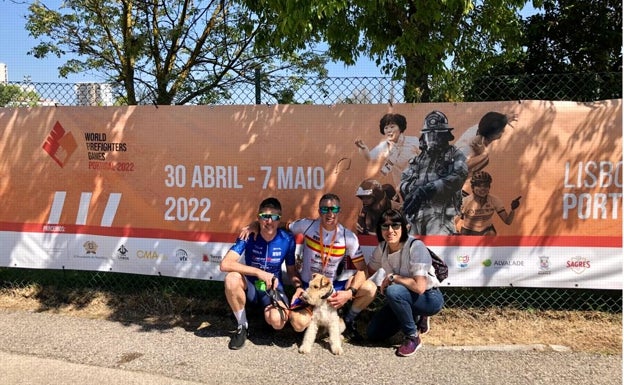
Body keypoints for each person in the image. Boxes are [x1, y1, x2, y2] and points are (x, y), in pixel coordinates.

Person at [242, 193, 377, 342]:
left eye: (334, 209)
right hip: (309, 287)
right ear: (319, 211)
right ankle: (320, 321)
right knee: (298, 324)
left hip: (334, 289)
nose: (330, 213)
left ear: (339, 211)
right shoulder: (307, 225)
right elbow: (280, 224)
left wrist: (349, 293)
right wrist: (255, 225)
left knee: (370, 288)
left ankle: (349, 319)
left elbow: (362, 269)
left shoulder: (348, 237)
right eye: (325, 209)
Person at [219, 197, 296, 350]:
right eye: (265, 216)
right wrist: (258, 272)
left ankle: (263, 317)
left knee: (278, 322)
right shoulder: (248, 235)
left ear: (279, 219)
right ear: (258, 218)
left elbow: (292, 271)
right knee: (231, 279)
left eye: (274, 217)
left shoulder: (287, 239)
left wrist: (300, 288)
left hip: (272, 289)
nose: (269, 221)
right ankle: (242, 326)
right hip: (252, 287)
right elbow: (225, 264)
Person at [366, 208, 444, 357]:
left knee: (393, 291)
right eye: (385, 226)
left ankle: (413, 336)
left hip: (429, 297)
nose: (390, 230)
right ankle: (415, 315)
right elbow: (368, 271)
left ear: (405, 227)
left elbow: (420, 287)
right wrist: (349, 290)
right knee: (373, 334)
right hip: (402, 297)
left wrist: (392, 277)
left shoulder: (416, 246)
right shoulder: (382, 248)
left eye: (395, 225)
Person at [399, 110, 468, 235]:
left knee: (438, 251)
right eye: (429, 134)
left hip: (441, 215)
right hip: (416, 216)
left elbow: (459, 176)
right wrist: (413, 190)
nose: (432, 138)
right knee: (414, 250)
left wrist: (429, 189)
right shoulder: (418, 159)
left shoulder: (454, 154)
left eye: (437, 134)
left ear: (445, 135)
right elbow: (403, 181)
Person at [454, 111, 517, 195]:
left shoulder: (482, 128)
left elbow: (491, 122)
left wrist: (504, 119)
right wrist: (483, 155)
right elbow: (458, 167)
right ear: (494, 134)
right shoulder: (471, 145)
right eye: (501, 130)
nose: (503, 131)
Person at [355, 113, 420, 190]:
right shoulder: (384, 146)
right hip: (402, 187)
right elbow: (369, 157)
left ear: (400, 128)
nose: (389, 130)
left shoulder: (413, 141)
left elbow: (426, 158)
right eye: (386, 128)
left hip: (419, 183)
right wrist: (363, 148)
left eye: (392, 127)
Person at [458, 171, 521, 235]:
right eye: (479, 186)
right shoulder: (465, 201)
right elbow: (456, 221)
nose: (482, 189)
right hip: (468, 230)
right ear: (472, 188)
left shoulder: (494, 200)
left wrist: (513, 209)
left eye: (485, 186)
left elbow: (508, 221)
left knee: (491, 234)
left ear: (489, 187)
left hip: (486, 230)